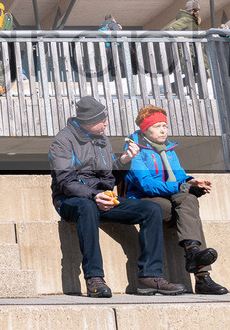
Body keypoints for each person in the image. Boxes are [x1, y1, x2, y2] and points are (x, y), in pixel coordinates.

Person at [49, 96, 185, 298]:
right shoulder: (62, 141)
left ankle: (150, 277)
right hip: (69, 201)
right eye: (102, 120)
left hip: (103, 197)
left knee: (151, 210)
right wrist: (95, 195)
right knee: (86, 207)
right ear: (88, 121)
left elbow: (109, 177)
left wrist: (124, 160)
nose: (106, 123)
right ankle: (94, 278)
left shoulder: (102, 140)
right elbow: (66, 182)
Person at [123, 105, 228, 295]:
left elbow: (178, 176)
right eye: (157, 126)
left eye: (165, 125)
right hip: (145, 200)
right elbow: (146, 184)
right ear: (145, 129)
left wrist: (191, 182)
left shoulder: (169, 148)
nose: (163, 130)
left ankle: (195, 258)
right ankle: (200, 271)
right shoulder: (134, 149)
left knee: (189, 200)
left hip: (168, 196)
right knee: (186, 214)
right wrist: (180, 186)